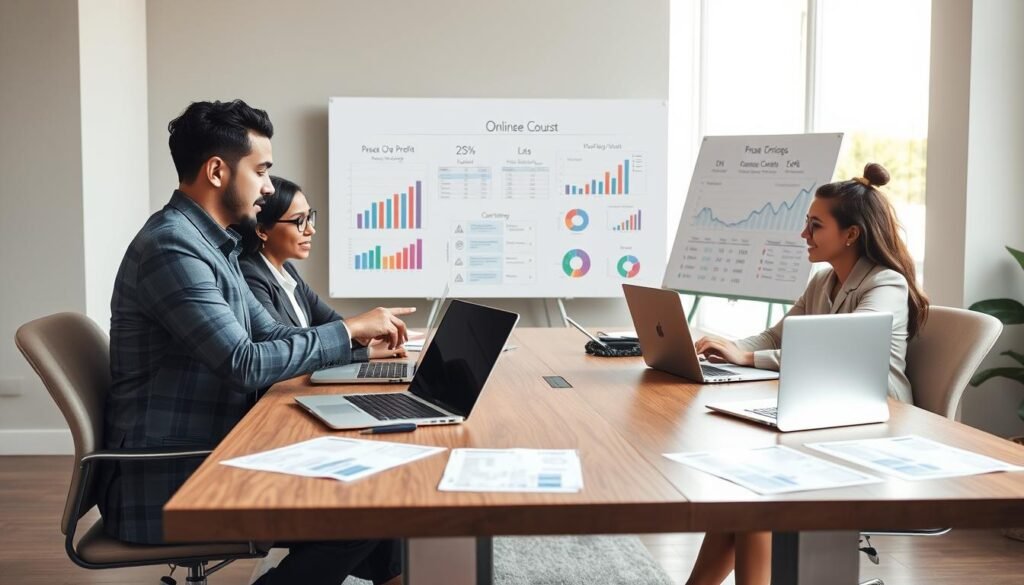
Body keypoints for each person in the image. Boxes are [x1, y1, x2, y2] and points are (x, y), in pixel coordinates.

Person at [102, 100, 410, 585]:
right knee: (368, 507)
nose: (268, 186)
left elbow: (269, 335)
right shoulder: (172, 246)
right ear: (218, 171)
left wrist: (359, 347)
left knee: (382, 490)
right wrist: (347, 331)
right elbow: (244, 363)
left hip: (217, 448)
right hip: (173, 479)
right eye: (261, 170)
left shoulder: (215, 244)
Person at [685, 162, 930, 585]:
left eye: (815, 226)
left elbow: (834, 348)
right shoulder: (822, 280)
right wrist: (728, 349)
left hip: (874, 423)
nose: (804, 235)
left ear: (850, 234)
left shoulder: (884, 283)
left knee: (755, 493)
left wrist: (746, 360)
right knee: (745, 491)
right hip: (822, 412)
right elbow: (776, 335)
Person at [235, 175, 404, 360]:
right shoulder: (249, 274)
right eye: (299, 221)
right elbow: (280, 346)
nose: (310, 230)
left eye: (309, 218)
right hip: (280, 388)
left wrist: (366, 333)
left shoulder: (287, 271)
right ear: (262, 231)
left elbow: (334, 324)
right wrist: (361, 343)